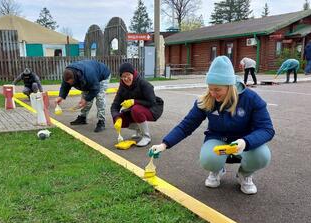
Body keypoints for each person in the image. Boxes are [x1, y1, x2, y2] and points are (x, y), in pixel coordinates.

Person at [148, 56, 275, 195]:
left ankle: (244, 174)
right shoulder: (206, 100)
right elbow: (186, 125)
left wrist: (246, 142)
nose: (213, 94)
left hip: (244, 141)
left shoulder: (251, 99)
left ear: (229, 86)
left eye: (217, 89)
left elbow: (267, 129)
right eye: (210, 88)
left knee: (262, 155)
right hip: (218, 139)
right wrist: (164, 144)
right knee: (208, 159)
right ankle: (217, 169)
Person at [111, 63, 164, 147]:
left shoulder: (144, 84)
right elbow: (115, 105)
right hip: (136, 109)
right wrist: (116, 117)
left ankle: (146, 137)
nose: (126, 78)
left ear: (133, 73)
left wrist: (134, 102)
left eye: (128, 75)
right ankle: (139, 131)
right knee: (119, 118)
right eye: (123, 76)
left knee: (136, 109)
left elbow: (152, 102)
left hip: (153, 109)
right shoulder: (122, 87)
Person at [56, 60, 111, 132]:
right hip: (88, 78)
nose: (70, 84)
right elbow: (65, 86)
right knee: (85, 99)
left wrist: (86, 99)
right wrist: (61, 96)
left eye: (71, 82)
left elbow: (95, 89)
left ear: (75, 78)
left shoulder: (89, 75)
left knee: (100, 98)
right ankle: (82, 118)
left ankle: (101, 121)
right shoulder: (67, 74)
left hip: (102, 76)